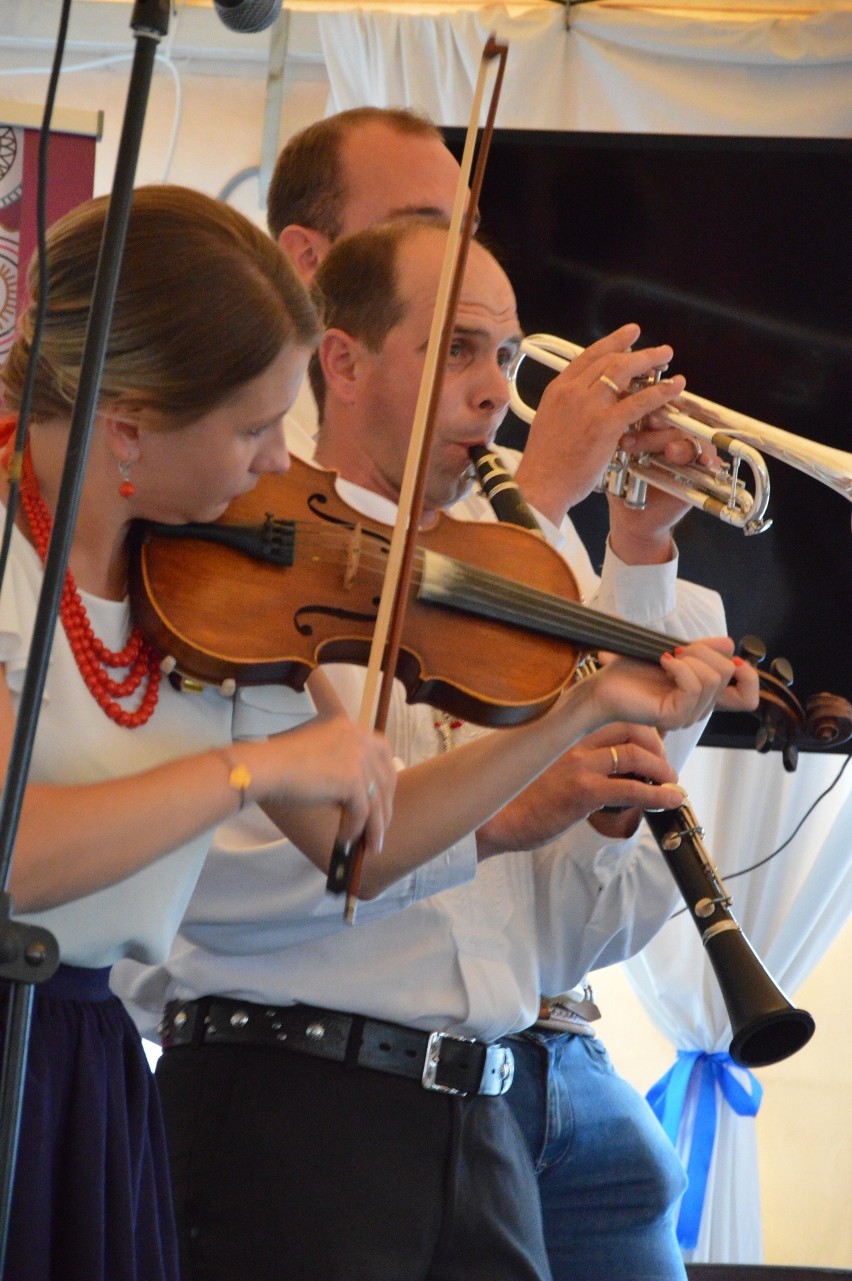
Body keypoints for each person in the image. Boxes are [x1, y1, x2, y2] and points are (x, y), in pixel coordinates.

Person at [0, 187, 736, 1281]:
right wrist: (248, 767)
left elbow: (366, 847)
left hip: (88, 1062)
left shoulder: (204, 582)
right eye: (254, 429)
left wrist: (580, 712)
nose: (270, 468)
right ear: (129, 424)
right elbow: (18, 852)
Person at [273, 108, 724, 1280]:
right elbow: (313, 863)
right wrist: (548, 502)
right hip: (335, 1097)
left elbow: (574, 934)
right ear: (329, 306)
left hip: (534, 1077)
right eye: (459, 345)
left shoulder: (531, 540)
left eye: (506, 351)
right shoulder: (268, 534)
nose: (495, 385)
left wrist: (635, 555)